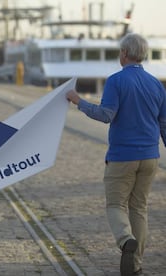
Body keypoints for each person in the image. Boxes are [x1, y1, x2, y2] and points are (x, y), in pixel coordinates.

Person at [66, 33, 166, 276]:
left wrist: (79, 101)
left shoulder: (116, 81)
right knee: (139, 208)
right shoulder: (157, 85)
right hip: (150, 157)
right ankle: (136, 265)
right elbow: (164, 124)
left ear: (124, 54)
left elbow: (106, 115)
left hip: (123, 157)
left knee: (115, 205)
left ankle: (125, 240)